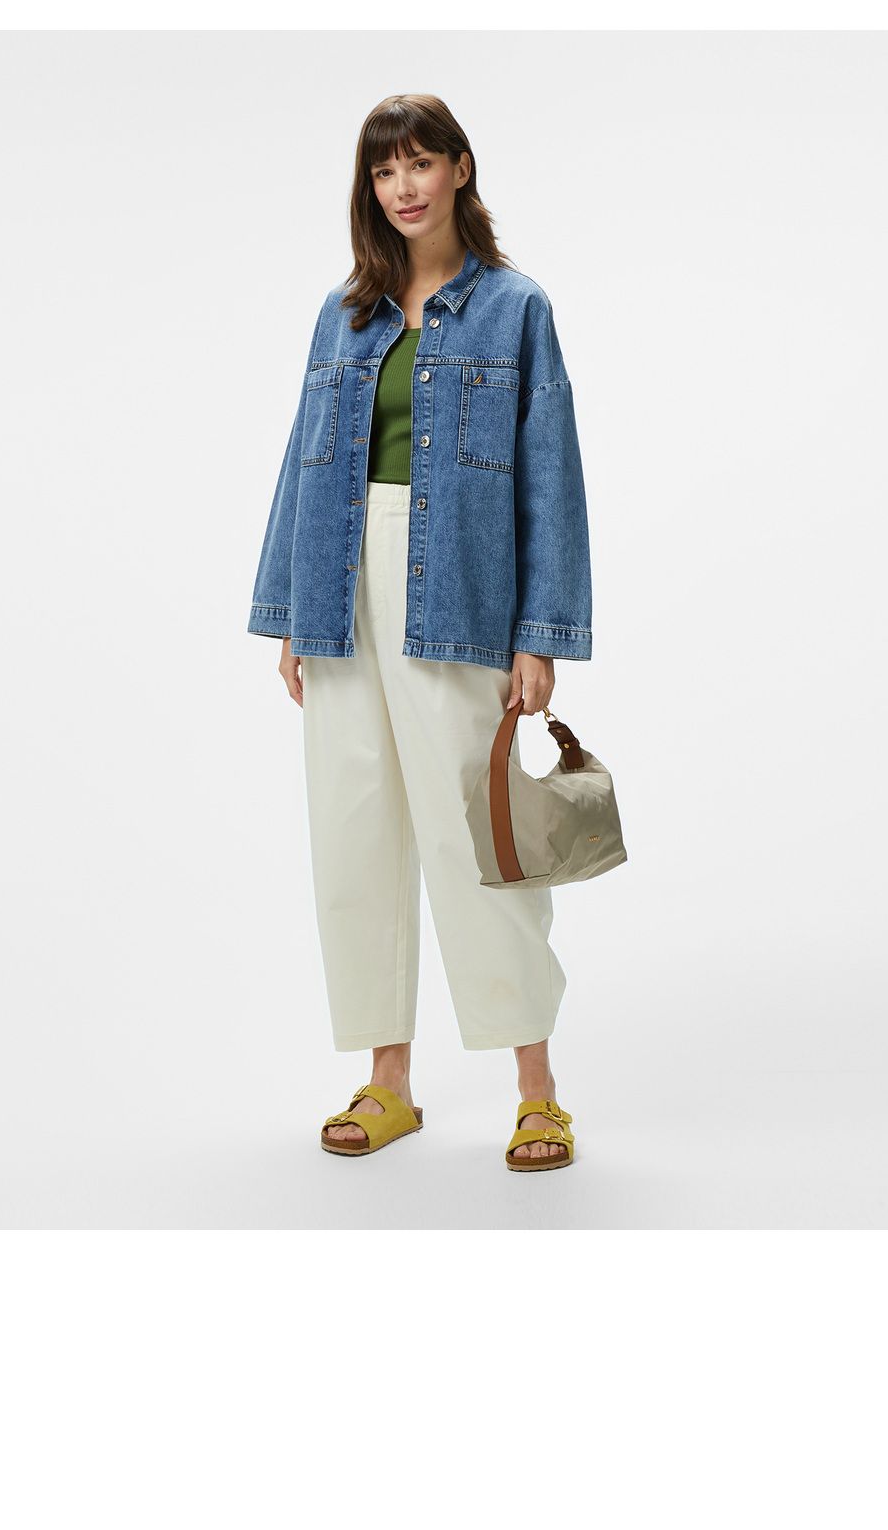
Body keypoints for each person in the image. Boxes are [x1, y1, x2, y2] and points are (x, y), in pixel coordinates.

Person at [247, 94, 592, 1172]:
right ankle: (387, 1082)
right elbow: (303, 458)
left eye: (420, 163)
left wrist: (539, 634)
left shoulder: (514, 307)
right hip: (340, 588)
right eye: (384, 170)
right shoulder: (343, 313)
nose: (403, 187)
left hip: (459, 594)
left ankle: (538, 1094)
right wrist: (291, 611)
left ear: (459, 169)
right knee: (354, 836)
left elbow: (550, 475)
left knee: (474, 840)